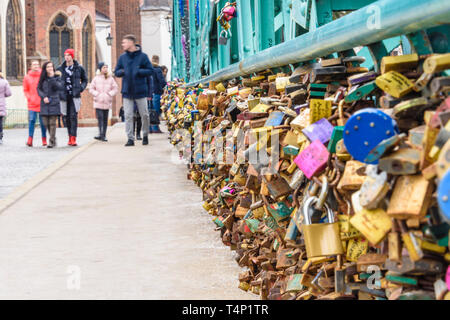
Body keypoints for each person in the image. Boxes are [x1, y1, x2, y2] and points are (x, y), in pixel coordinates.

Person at [114, 34, 154, 147]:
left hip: (140, 91)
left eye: (125, 42)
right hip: (127, 91)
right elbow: (116, 72)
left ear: (131, 43)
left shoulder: (143, 57)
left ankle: (145, 134)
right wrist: (123, 72)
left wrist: (139, 71)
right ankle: (130, 138)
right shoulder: (122, 58)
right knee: (128, 115)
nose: (123, 44)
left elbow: (150, 70)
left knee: (144, 114)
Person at [57, 49, 88, 147]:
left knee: (73, 117)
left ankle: (73, 138)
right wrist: (59, 90)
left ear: (72, 56)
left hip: (74, 95)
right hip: (64, 96)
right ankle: (69, 136)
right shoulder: (60, 69)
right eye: (65, 55)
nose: (67, 57)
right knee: (66, 118)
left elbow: (85, 80)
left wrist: (80, 88)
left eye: (69, 55)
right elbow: (56, 81)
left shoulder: (79, 68)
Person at [89, 62, 119, 142]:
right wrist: (97, 94)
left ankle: (104, 135)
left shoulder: (110, 78)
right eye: (104, 67)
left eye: (106, 67)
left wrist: (109, 94)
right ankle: (100, 134)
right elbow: (91, 89)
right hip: (98, 102)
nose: (105, 69)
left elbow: (115, 88)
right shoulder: (96, 78)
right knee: (100, 118)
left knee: (105, 119)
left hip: (106, 102)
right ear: (100, 69)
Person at [37, 61, 64, 149]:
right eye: (48, 67)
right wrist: (43, 97)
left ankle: (51, 141)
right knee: (46, 123)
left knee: (52, 123)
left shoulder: (57, 77)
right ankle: (53, 138)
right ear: (45, 68)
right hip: (44, 103)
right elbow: (38, 89)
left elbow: (59, 87)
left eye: (51, 67)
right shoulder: (42, 78)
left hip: (54, 102)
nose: (50, 68)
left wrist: (52, 77)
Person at [23, 60, 47, 147]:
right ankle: (30, 139)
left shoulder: (43, 76)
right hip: (32, 103)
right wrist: (29, 98)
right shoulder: (27, 77)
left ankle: (44, 139)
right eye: (34, 64)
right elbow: (25, 90)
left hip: (41, 102)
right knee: (31, 121)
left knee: (42, 122)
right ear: (31, 66)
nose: (36, 66)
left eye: (37, 64)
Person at [150, 55, 167, 134]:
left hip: (149, 93)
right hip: (157, 92)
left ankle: (149, 128)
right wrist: (166, 86)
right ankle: (155, 128)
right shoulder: (158, 69)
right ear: (157, 61)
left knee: (150, 110)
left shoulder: (148, 69)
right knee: (156, 111)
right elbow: (161, 81)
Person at [0, 72, 12, 145]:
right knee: (0, 121)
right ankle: (0, 137)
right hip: (1, 103)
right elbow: (9, 93)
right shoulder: (4, 82)